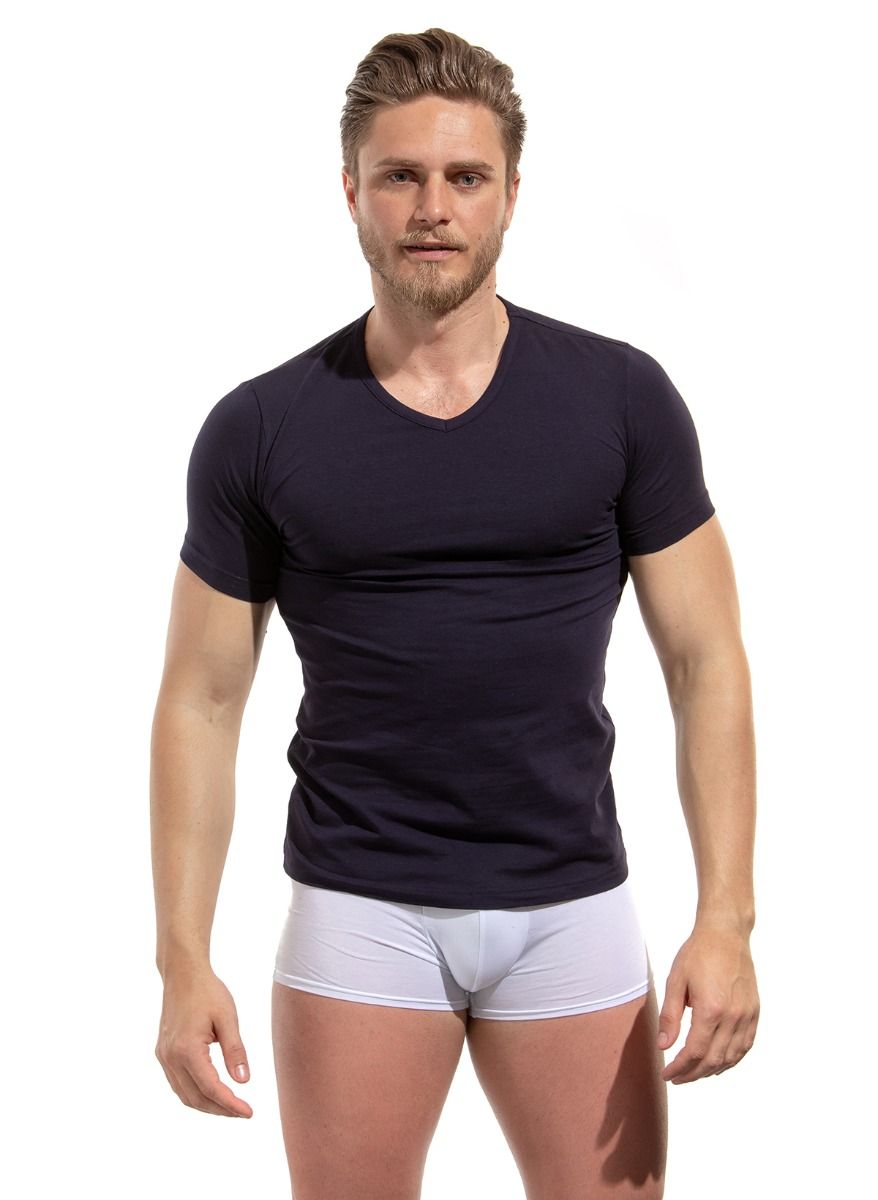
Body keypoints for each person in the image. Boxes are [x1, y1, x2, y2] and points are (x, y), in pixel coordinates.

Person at [151, 26, 759, 1200]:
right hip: (359, 905)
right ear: (350, 191)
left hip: (571, 900)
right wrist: (181, 959)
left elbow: (704, 661)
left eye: (464, 176)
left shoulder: (619, 399)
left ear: (510, 194)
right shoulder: (262, 427)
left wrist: (724, 920)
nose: (432, 208)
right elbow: (201, 700)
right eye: (400, 175)